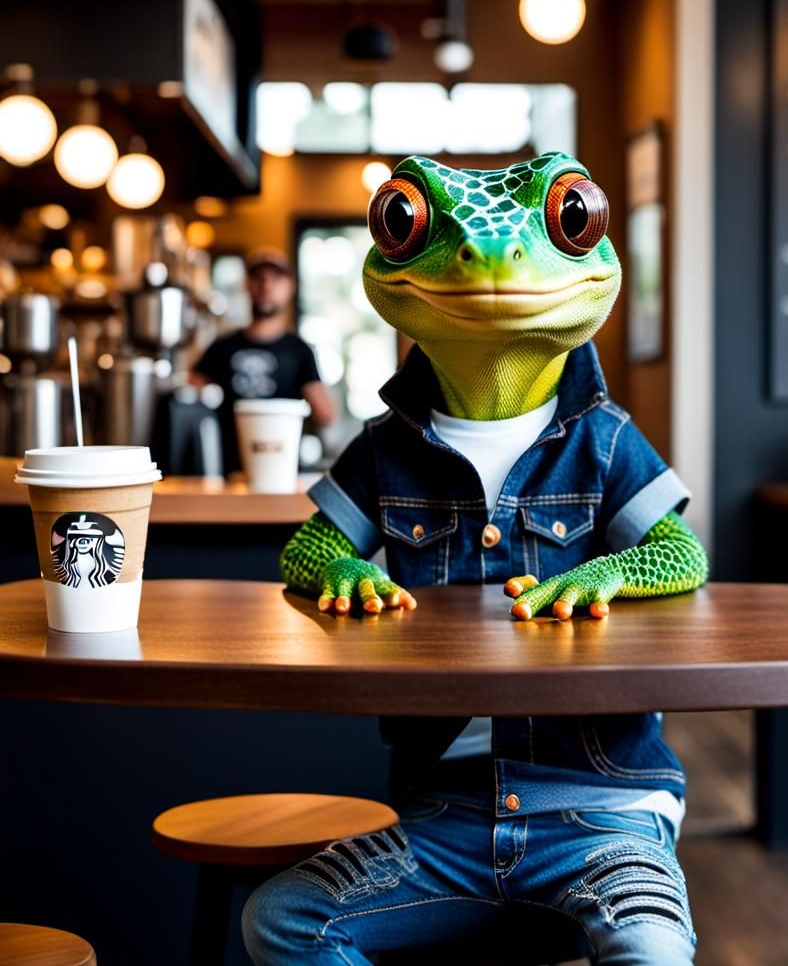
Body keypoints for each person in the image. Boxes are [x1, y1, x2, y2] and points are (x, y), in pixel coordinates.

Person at [242, 153, 707, 964]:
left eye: (570, 220)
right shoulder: (386, 450)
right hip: (444, 813)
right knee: (282, 922)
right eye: (406, 222)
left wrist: (606, 572)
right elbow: (309, 546)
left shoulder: (603, 441)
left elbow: (679, 553)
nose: (489, 262)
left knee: (654, 952)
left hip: (601, 805)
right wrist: (347, 569)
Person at [190, 248, 335, 474]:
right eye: (259, 277)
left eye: (276, 278)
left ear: (289, 287)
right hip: (226, 473)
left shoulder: (299, 351)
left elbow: (325, 415)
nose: (266, 285)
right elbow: (188, 399)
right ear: (247, 285)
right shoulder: (222, 348)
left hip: (281, 471)